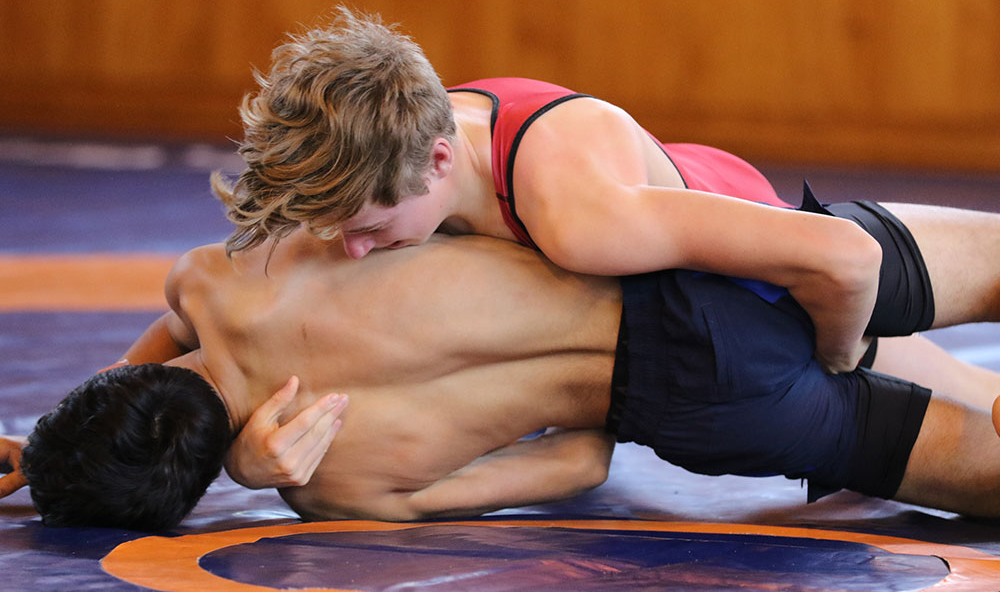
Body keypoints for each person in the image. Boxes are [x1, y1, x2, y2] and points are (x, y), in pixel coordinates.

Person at [4, 229, 1000, 528]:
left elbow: (580, 461)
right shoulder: (219, 276)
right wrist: (57, 434)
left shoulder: (334, 486)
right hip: (685, 263)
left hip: (701, 399)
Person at [209, 7, 997, 374]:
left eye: (370, 227)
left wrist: (839, 354)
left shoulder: (578, 216)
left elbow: (845, 256)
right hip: (679, 206)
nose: (353, 249)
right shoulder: (403, 120)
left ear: (440, 160)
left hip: (764, 287)